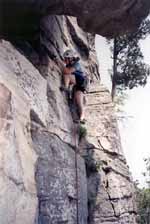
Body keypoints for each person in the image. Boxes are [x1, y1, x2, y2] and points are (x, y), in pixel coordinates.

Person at [57, 49, 87, 124]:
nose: (65, 60)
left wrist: (59, 63)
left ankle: (66, 88)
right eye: (65, 59)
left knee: (67, 75)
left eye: (66, 59)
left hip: (81, 81)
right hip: (80, 84)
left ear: (71, 58)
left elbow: (67, 72)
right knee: (79, 101)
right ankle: (82, 118)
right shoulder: (70, 64)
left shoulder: (76, 64)